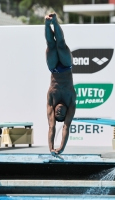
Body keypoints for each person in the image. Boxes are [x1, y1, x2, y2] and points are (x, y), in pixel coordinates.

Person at [45, 13, 76, 158]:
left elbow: (52, 127)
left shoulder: (51, 102)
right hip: (66, 66)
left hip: (54, 69)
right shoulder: (71, 101)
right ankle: (55, 22)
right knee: (61, 44)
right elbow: (66, 127)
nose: (59, 112)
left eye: (58, 113)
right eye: (61, 114)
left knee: (51, 46)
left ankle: (46, 23)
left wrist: (51, 148)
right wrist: (62, 147)